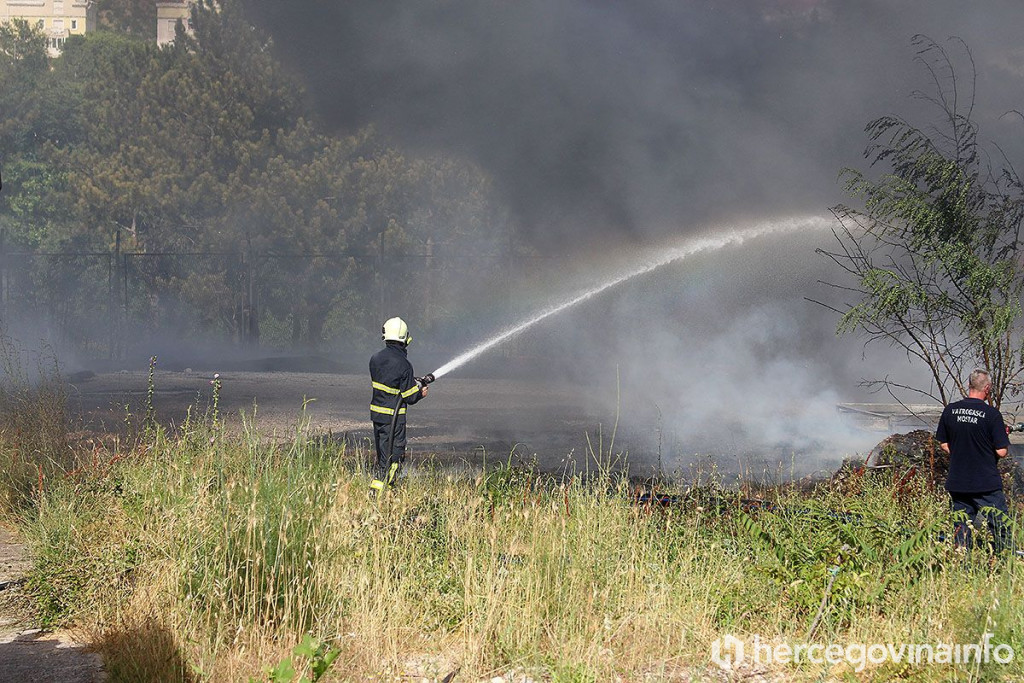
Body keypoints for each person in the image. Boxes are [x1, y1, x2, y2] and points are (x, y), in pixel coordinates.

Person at [935, 368, 1012, 552]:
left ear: (969, 385)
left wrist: (963, 452)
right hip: (985, 484)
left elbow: (944, 444)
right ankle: (1007, 560)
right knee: (1000, 526)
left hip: (958, 482)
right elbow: (1001, 451)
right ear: (987, 388)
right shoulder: (992, 415)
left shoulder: (950, 411)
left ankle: (962, 565)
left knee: (961, 529)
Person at [368, 316, 428, 493]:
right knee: (394, 458)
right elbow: (409, 396)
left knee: (382, 456)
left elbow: (390, 382)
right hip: (394, 420)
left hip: (377, 416)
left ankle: (381, 491)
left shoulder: (375, 359)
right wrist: (420, 393)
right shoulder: (404, 364)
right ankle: (380, 491)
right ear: (405, 338)